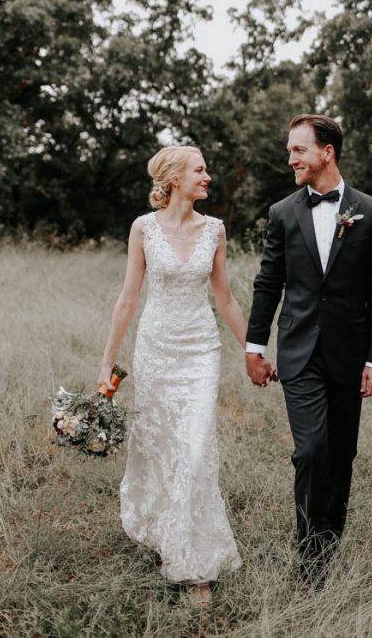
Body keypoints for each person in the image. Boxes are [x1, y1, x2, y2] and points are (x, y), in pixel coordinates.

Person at [245, 114, 372, 585]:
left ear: (326, 152)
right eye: (291, 150)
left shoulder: (371, 212)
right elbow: (268, 283)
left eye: (298, 150)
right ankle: (309, 565)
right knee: (311, 452)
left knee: (341, 453)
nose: (290, 158)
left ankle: (330, 544)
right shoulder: (282, 213)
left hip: (351, 356)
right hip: (300, 352)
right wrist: (254, 345)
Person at [98, 145, 247, 600]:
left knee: (196, 447)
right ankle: (167, 531)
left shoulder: (216, 231)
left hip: (201, 351)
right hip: (156, 351)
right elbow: (128, 298)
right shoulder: (143, 229)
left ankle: (194, 567)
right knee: (161, 446)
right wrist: (107, 360)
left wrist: (255, 350)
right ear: (175, 178)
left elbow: (225, 299)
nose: (208, 176)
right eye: (200, 170)